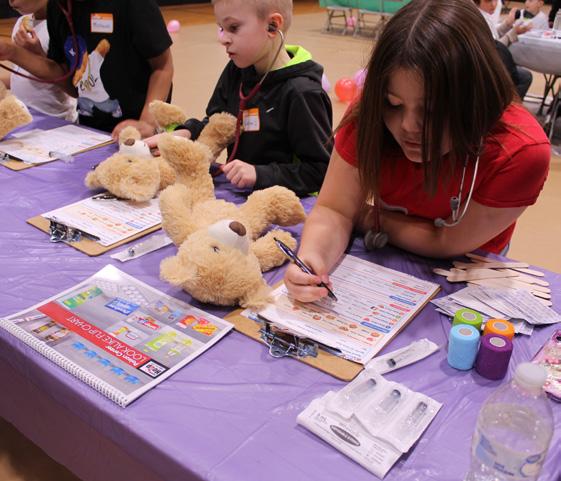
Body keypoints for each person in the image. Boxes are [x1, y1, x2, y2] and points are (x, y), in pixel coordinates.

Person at [284, 0, 550, 303]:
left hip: (470, 272)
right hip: (386, 261)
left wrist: (369, 217)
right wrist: (313, 258)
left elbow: (447, 241)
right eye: (393, 104)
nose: (409, 126)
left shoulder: (521, 151)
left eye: (433, 110)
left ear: (476, 100)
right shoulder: (370, 113)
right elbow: (334, 210)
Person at [149, 0, 333, 197]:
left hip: (288, 204)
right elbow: (217, 123)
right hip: (240, 196)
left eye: (233, 28)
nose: (222, 39)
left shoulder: (301, 92)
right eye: (221, 28)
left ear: (272, 26)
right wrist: (185, 133)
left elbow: (320, 171)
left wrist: (259, 174)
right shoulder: (237, 70)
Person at [0, 0, 174, 139]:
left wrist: (147, 123)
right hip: (91, 132)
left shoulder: (131, 4)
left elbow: (163, 67)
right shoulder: (57, 7)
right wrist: (11, 52)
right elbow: (67, 81)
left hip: (142, 128)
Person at [3, 0, 77, 122]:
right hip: (23, 114)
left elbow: (71, 85)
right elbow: (21, 76)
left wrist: (39, 54)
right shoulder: (21, 22)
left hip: (54, 118)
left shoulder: (61, 27)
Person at [475, 0, 533, 98]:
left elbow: (493, 36)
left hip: (488, 62)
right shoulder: (476, 18)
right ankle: (506, 105)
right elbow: (494, 48)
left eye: (495, 0)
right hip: (483, 67)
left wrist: (507, 24)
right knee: (524, 77)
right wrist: (513, 33)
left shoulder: (484, 14)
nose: (493, 4)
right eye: (488, 1)